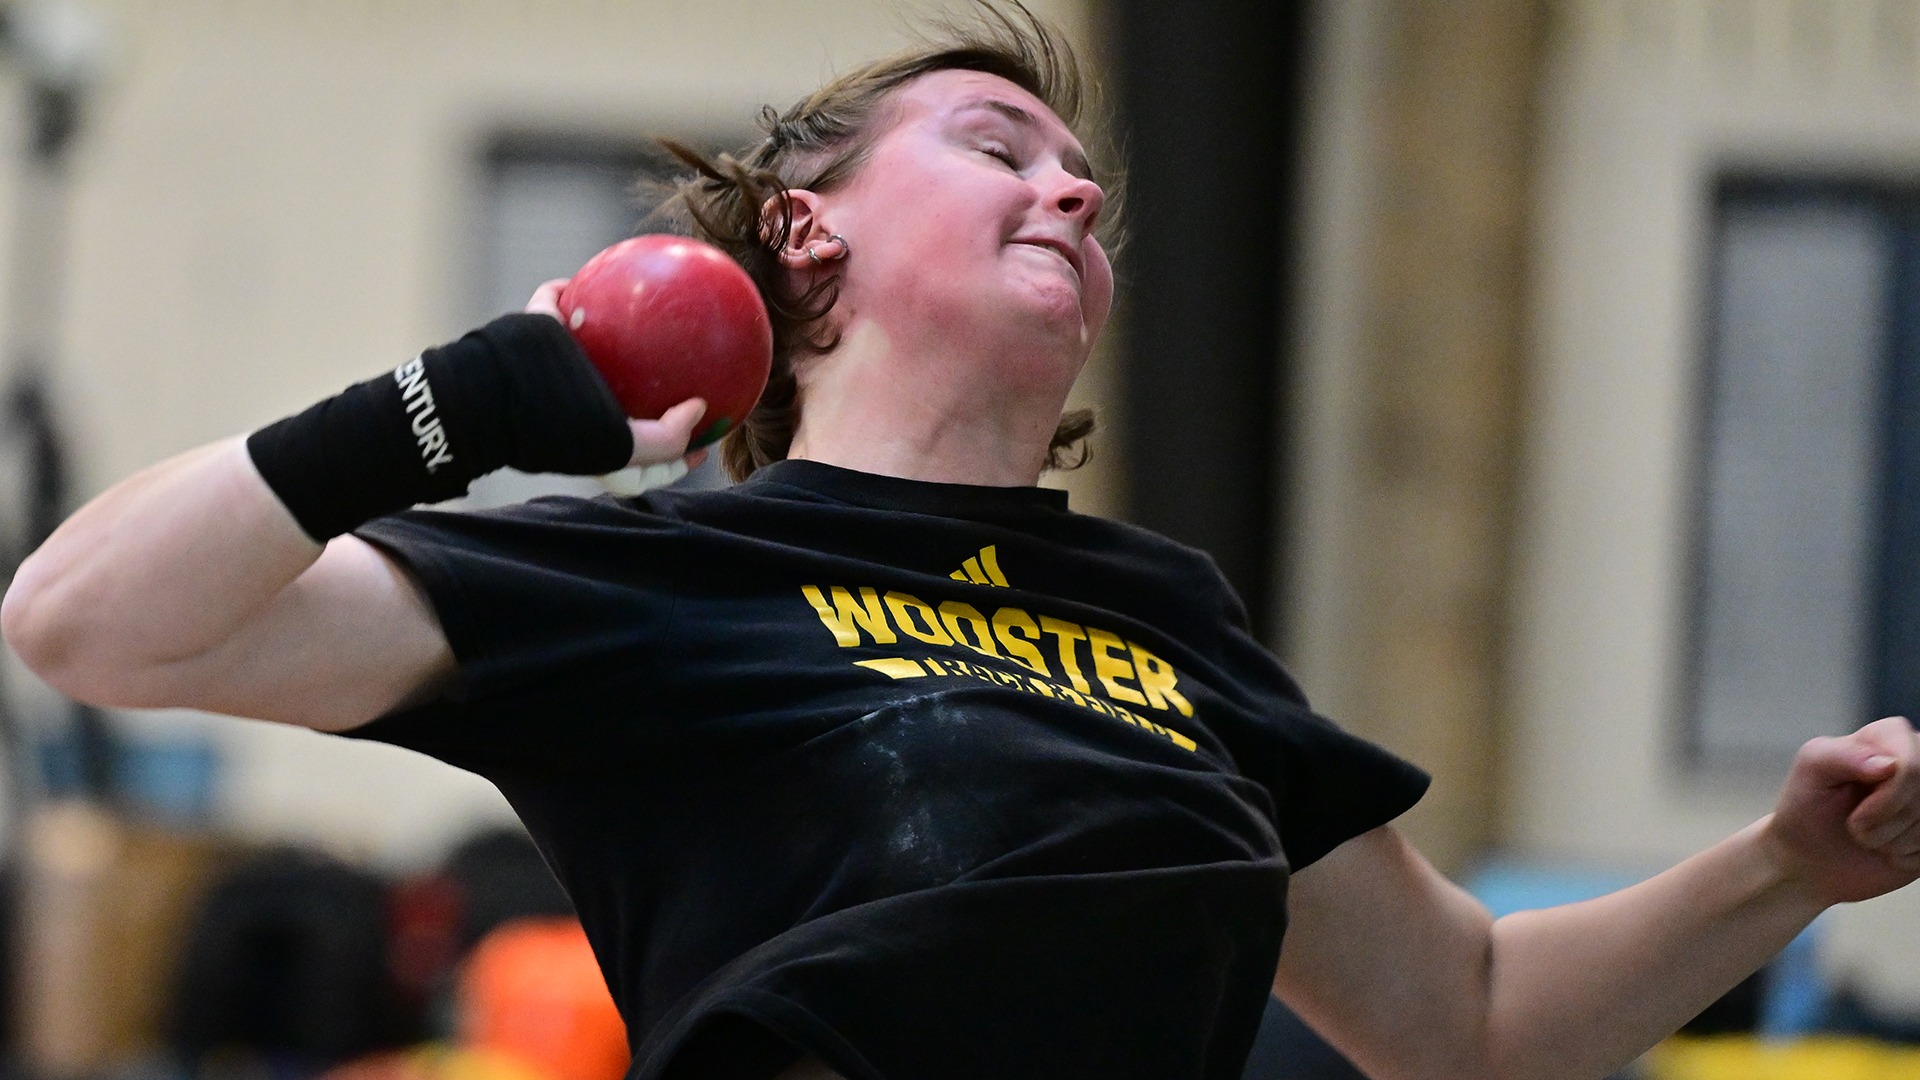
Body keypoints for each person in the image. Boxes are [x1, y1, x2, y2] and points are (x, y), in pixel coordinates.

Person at [6, 6, 1920, 1079]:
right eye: (998, 148)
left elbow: (1469, 1023)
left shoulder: (1172, 622)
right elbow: (90, 623)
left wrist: (1781, 865)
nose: (1073, 186)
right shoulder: (651, 582)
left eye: (1081, 180)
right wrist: (467, 403)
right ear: (808, 239)